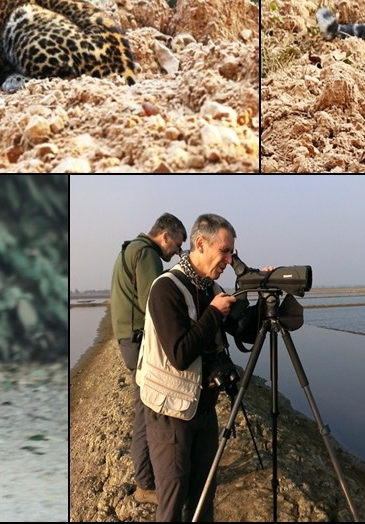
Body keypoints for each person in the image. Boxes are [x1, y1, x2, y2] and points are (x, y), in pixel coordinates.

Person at [136, 213, 238, 522]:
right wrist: (213, 314)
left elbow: (243, 330)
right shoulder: (166, 288)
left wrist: (264, 290)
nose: (230, 260)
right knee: (173, 501)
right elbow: (179, 354)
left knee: (203, 497)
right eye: (225, 251)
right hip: (170, 415)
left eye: (233, 252)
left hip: (202, 409)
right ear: (200, 244)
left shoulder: (210, 287)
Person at [110, 213, 187, 505]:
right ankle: (146, 484)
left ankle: (148, 476)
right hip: (136, 339)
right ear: (165, 235)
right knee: (147, 413)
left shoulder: (133, 248)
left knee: (145, 409)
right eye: (178, 245)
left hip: (127, 336)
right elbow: (155, 305)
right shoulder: (148, 255)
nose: (177, 252)